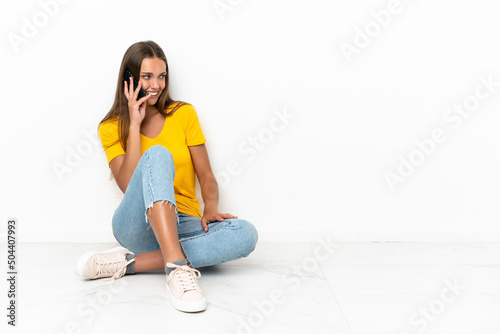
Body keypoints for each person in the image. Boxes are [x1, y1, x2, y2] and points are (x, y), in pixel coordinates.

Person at [75, 40, 258, 313]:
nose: (156, 85)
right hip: (137, 225)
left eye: (161, 77)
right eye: (147, 77)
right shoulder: (111, 127)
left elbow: (206, 175)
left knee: (245, 234)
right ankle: (176, 267)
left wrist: (210, 208)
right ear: (129, 79)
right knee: (158, 154)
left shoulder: (184, 114)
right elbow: (127, 185)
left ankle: (128, 263)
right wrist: (134, 125)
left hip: (183, 223)